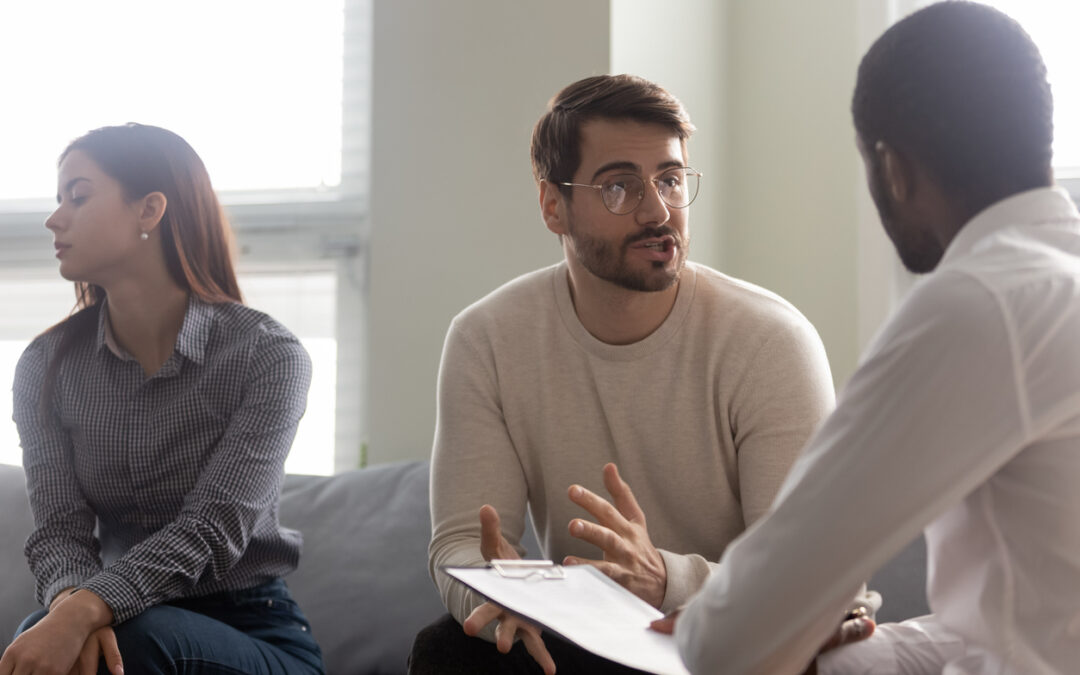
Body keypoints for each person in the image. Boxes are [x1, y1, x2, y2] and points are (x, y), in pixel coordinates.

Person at [661, 3, 1080, 673]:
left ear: (893, 168)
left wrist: (728, 617)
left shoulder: (979, 302)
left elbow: (729, 641)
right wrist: (858, 653)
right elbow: (1032, 620)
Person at [408, 74, 843, 674]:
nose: (657, 210)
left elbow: (808, 574)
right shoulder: (487, 339)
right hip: (599, 637)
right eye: (619, 186)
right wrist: (494, 594)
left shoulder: (770, 340)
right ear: (553, 206)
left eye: (669, 179)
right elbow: (460, 543)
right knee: (449, 648)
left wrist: (667, 578)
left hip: (745, 640)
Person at [1, 124, 325, 675]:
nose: (55, 218)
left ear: (149, 210)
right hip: (122, 616)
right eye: (58, 200)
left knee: (134, 640)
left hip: (252, 628)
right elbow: (59, 530)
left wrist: (86, 612)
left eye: (78, 196)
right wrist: (71, 607)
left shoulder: (268, 355)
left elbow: (213, 530)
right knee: (40, 636)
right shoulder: (45, 365)